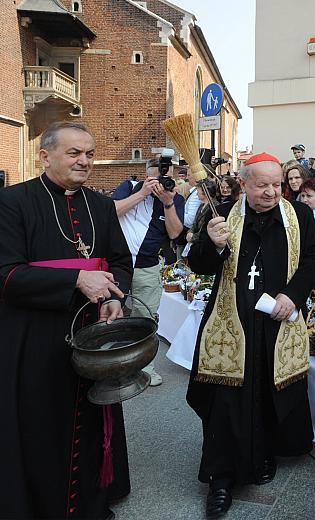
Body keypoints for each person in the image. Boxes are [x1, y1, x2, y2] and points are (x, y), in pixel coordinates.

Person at [0, 121, 132, 519]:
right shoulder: (13, 202)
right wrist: (75, 277)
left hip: (91, 330)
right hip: (35, 336)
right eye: (74, 153)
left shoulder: (101, 205)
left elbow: (121, 262)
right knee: (42, 423)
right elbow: (6, 273)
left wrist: (114, 296)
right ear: (45, 156)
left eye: (90, 153)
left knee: (92, 417)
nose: (85, 161)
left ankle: (91, 501)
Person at [186, 152, 315, 518]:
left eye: (277, 184)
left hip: (276, 320)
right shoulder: (221, 215)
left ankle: (263, 454)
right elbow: (198, 264)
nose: (272, 192)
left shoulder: (300, 216)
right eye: (262, 185)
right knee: (226, 400)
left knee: (267, 391)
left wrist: (292, 296)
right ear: (244, 184)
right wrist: (212, 244)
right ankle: (219, 478)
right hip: (232, 321)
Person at [113, 155, 186, 386]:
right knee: (111, 314)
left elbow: (175, 233)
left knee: (145, 318)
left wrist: (167, 202)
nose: (163, 182)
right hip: (117, 264)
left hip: (147, 265)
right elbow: (111, 212)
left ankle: (145, 368)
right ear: (147, 175)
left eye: (167, 177)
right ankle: (110, 365)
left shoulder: (176, 198)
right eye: (158, 177)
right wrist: (142, 193)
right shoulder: (129, 187)